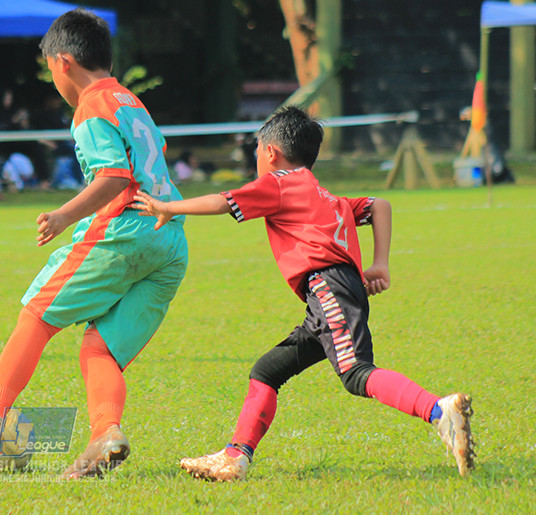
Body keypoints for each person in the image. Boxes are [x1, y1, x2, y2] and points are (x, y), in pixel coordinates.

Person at [134, 106, 475, 481]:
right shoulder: (323, 194)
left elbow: (223, 201)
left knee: (356, 373)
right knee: (268, 370)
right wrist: (380, 263)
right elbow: (381, 206)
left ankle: (439, 412)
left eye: (256, 153)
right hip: (331, 294)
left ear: (269, 153)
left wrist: (168, 206)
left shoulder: (279, 182)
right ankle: (236, 457)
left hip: (328, 287)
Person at [0, 9, 188, 479]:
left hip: (123, 231)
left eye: (50, 69)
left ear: (63, 62)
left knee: (36, 313)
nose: (53, 79)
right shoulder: (130, 100)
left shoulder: (91, 104)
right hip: (169, 241)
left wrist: (65, 214)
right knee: (100, 349)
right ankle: (104, 435)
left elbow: (115, 175)